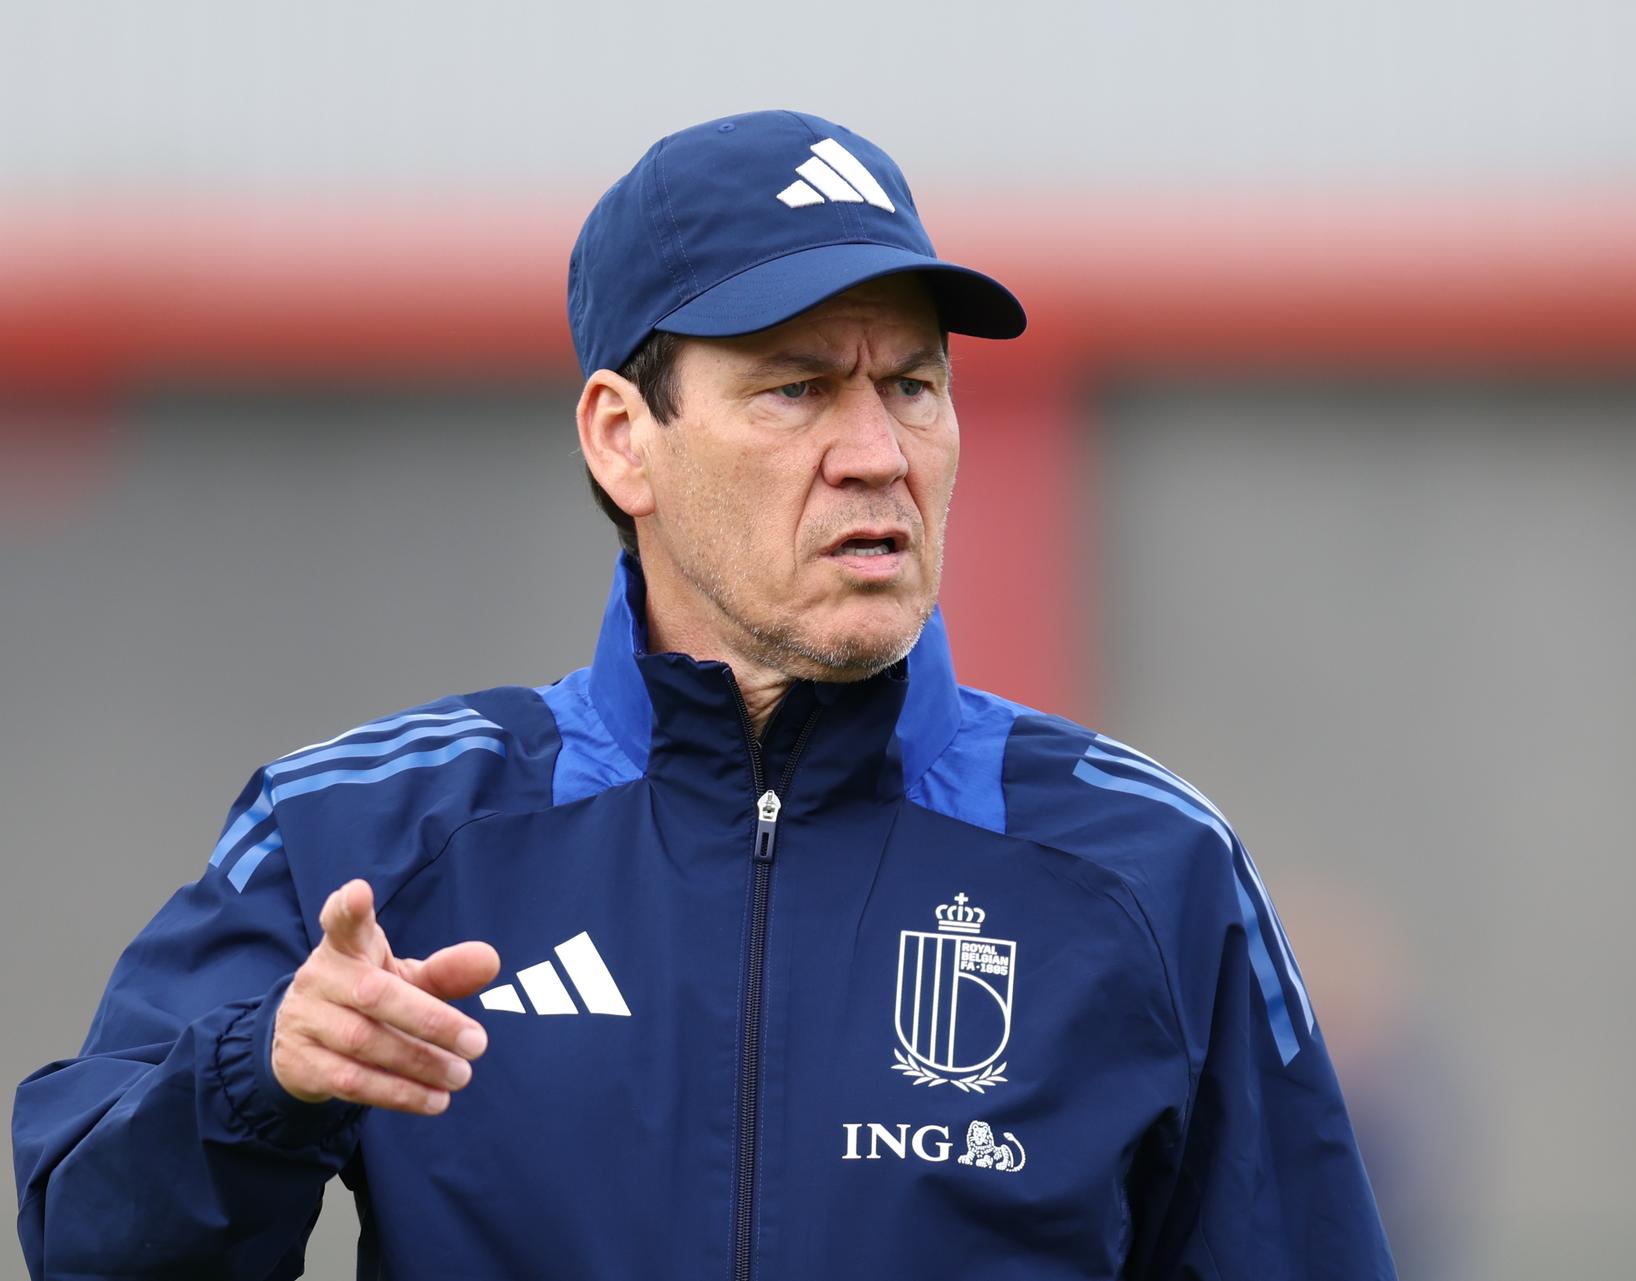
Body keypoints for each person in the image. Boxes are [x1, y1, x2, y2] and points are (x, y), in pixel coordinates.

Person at [12, 110, 1395, 1279]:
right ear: (626, 438)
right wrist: (265, 1078)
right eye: (797, 389)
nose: (878, 453)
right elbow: (86, 1229)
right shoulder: (370, 831)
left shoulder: (1149, 868)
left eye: (912, 384)